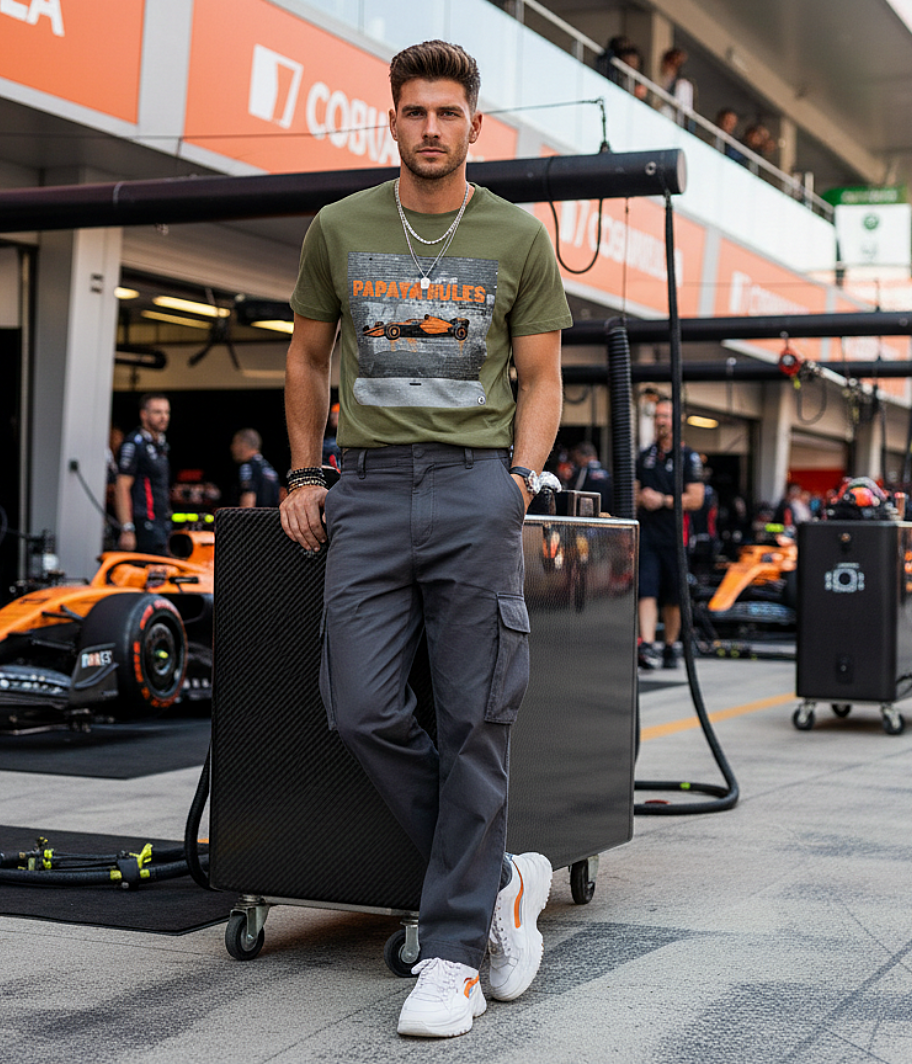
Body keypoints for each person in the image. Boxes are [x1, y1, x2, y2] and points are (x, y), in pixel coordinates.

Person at [279, 39, 571, 1039]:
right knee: (357, 705)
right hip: (365, 487)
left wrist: (519, 481)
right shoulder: (338, 226)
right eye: (414, 112)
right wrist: (307, 471)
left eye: (448, 113)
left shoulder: (515, 238)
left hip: (471, 487)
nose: (431, 128)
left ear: (472, 124)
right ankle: (497, 879)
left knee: (474, 719)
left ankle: (450, 955)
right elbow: (307, 358)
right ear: (392, 118)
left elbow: (540, 378)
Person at [635, 397, 704, 669]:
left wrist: (663, 500)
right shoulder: (645, 455)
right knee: (646, 590)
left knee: (674, 597)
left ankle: (670, 646)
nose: (660, 421)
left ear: (677, 421)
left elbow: (696, 499)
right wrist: (642, 497)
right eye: (657, 416)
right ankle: (648, 645)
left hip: (676, 536)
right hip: (648, 536)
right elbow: (634, 490)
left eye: (665, 416)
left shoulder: (689, 457)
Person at [115, 393, 171, 556]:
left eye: (166, 412)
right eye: (157, 412)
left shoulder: (161, 444)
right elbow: (122, 486)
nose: (164, 417)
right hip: (142, 523)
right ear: (144, 414)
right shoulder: (134, 444)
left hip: (161, 522)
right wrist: (127, 528)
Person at [230, 428, 280, 507]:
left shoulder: (247, 467)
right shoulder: (268, 467)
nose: (232, 447)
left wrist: (244, 518)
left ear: (243, 445)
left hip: (255, 518)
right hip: (271, 517)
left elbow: (249, 498)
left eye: (235, 443)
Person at [566, 440, 613, 513]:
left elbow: (576, 491)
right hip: (608, 512)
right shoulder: (606, 470)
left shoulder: (583, 470)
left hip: (589, 512)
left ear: (580, 456)